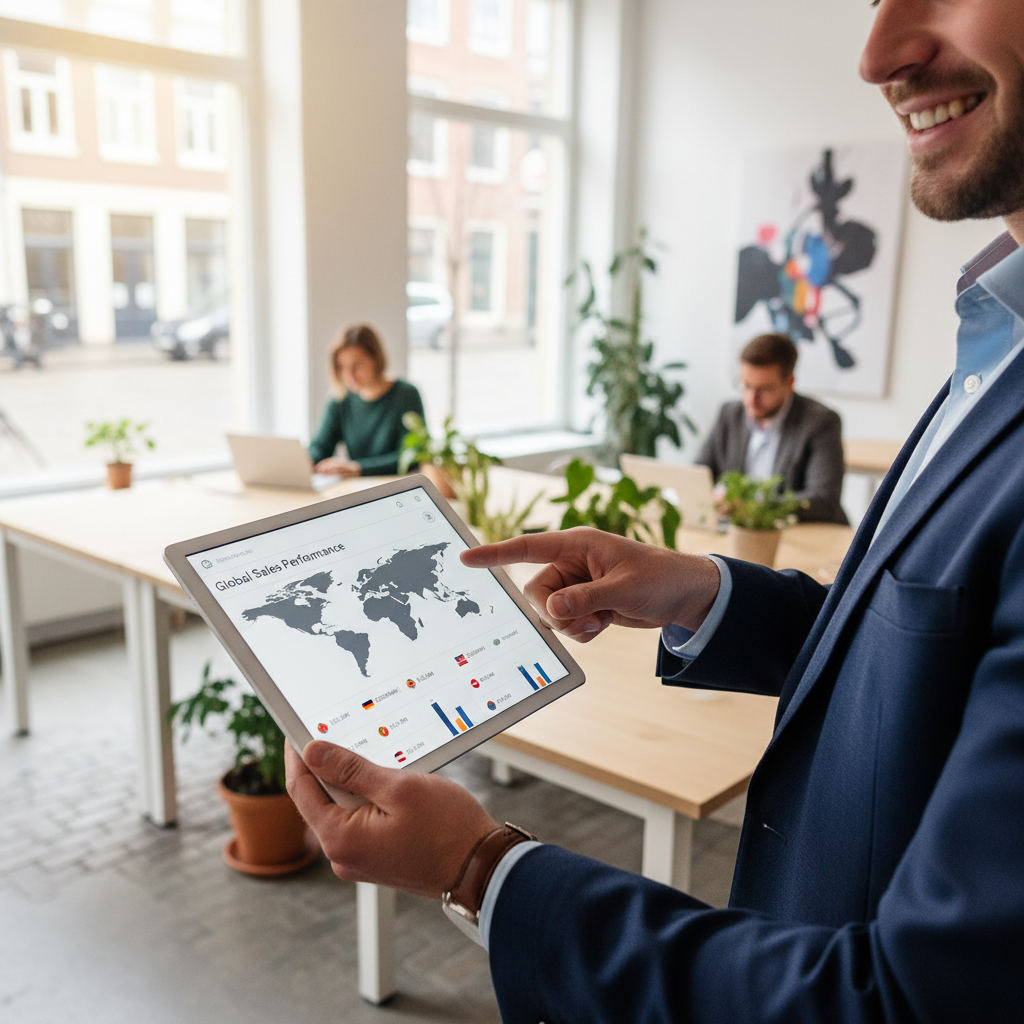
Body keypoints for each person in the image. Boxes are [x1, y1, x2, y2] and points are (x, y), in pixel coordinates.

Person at [285, 2, 1024, 1021]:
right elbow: (923, 650)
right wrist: (703, 589)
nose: (874, 53)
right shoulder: (995, 339)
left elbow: (908, 1001)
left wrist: (479, 864)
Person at [696, 332, 848, 524]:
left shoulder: (821, 422)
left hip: (802, 536)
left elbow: (824, 500)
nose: (752, 399)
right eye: (746, 385)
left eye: (764, 389)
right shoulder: (730, 414)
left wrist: (750, 505)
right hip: (737, 532)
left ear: (789, 383)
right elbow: (700, 474)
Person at [308, 323, 424, 477]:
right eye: (342, 367)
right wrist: (307, 461)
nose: (349, 375)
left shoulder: (405, 394)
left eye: (357, 365)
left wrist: (358, 468)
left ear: (376, 359)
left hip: (395, 486)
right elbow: (321, 446)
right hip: (356, 487)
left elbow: (412, 456)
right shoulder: (340, 399)